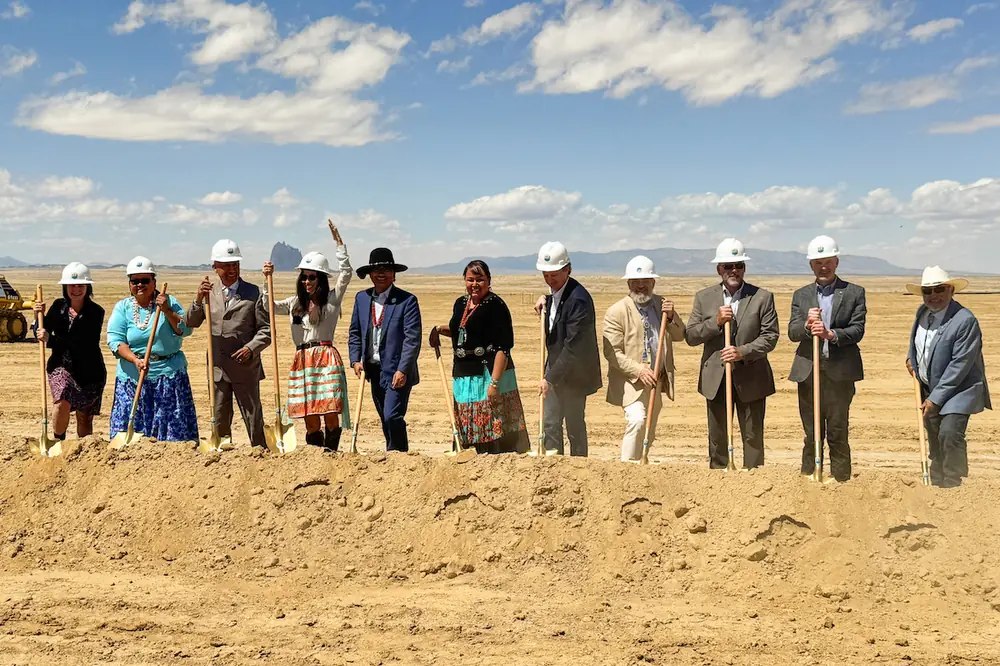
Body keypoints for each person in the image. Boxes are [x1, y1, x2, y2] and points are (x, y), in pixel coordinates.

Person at [685, 238, 779, 469]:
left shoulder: (762, 298)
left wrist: (742, 352)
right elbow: (691, 336)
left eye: (738, 265)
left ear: (744, 268)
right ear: (719, 269)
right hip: (716, 379)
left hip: (752, 377)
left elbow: (770, 337)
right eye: (728, 266)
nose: (733, 270)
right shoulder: (704, 297)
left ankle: (753, 481)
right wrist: (715, 322)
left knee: (752, 435)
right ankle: (719, 481)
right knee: (717, 437)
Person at [263, 222, 353, 451]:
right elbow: (268, 306)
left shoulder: (332, 300)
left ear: (321, 279)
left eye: (312, 277)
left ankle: (331, 454)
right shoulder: (294, 303)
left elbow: (346, 273)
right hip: (302, 359)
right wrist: (267, 281)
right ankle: (315, 455)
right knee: (309, 414)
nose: (307, 281)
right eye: (304, 277)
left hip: (325, 358)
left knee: (330, 411)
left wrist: (339, 244)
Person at [429, 260, 530, 454]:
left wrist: (494, 384)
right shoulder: (460, 303)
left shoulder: (496, 305)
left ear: (488, 280)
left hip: (489, 374)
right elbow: (462, 329)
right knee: (467, 428)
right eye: (470, 279)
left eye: (480, 280)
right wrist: (439, 329)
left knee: (493, 425)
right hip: (464, 375)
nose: (474, 284)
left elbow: (503, 347)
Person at [787, 236, 866, 482]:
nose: (824, 267)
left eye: (828, 261)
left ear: (836, 262)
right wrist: (807, 326)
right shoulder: (801, 295)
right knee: (811, 432)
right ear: (811, 265)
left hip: (840, 374)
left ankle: (841, 482)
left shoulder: (854, 293)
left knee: (838, 431)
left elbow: (858, 330)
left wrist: (831, 335)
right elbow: (792, 332)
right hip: (809, 373)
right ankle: (809, 480)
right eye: (818, 262)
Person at [906, 266, 991, 488]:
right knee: (934, 437)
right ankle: (937, 485)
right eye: (928, 291)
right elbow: (916, 342)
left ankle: (954, 485)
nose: (933, 296)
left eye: (939, 289)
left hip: (959, 390)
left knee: (949, 434)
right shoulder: (922, 312)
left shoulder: (964, 320)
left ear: (951, 290)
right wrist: (910, 359)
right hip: (928, 386)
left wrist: (936, 399)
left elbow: (960, 365)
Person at [185, 239, 271, 450]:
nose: (232, 269)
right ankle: (223, 458)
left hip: (246, 368)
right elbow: (191, 322)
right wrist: (198, 299)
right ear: (215, 267)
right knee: (220, 415)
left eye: (235, 264)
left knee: (253, 417)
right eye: (227, 265)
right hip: (218, 368)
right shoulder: (208, 294)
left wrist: (251, 348)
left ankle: (260, 454)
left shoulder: (253, 293)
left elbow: (266, 330)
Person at [107, 256, 199, 442]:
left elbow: (185, 329)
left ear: (154, 281)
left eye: (145, 280)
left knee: (172, 430)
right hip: (133, 377)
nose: (140, 285)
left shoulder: (169, 302)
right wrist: (135, 360)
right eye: (135, 281)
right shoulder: (122, 308)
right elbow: (115, 340)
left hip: (168, 377)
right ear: (129, 283)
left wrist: (166, 310)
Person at [602, 256, 685, 462]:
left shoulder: (662, 305)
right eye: (636, 282)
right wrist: (638, 370)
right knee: (637, 421)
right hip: (631, 382)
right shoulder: (616, 311)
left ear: (653, 282)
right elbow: (612, 353)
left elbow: (679, 335)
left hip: (657, 379)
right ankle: (626, 469)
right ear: (628, 283)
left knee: (649, 431)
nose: (641, 286)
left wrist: (673, 316)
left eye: (645, 281)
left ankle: (641, 467)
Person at [532, 241, 602, 456]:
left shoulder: (579, 299)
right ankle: (555, 467)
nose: (549, 279)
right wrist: (545, 300)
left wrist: (549, 378)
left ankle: (579, 469)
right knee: (550, 423)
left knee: (574, 426)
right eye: (545, 274)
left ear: (568, 269)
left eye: (554, 274)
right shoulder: (553, 295)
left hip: (575, 376)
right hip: (555, 370)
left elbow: (574, 347)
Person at [348, 247, 421, 452]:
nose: (381, 274)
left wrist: (403, 369)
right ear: (370, 274)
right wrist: (355, 359)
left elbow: (412, 340)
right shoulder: (362, 299)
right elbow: (355, 332)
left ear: (394, 274)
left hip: (397, 371)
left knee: (392, 415)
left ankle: (399, 456)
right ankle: (393, 455)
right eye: (377, 270)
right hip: (373, 370)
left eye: (386, 269)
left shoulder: (407, 301)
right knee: (384, 417)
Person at [33, 262, 107, 440]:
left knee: (84, 417)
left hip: (90, 372)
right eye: (72, 285)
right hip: (61, 365)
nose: (76, 289)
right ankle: (58, 443)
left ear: (87, 287)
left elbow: (81, 343)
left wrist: (51, 340)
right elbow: (43, 329)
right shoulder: (58, 306)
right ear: (65, 287)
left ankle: (82, 452)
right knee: (62, 399)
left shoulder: (96, 312)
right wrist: (38, 317)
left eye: (80, 285)